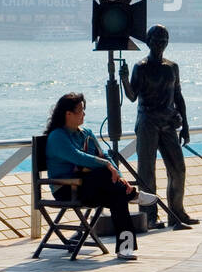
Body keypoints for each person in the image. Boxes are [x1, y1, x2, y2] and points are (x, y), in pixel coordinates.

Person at [43, 92, 151, 260]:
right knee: (104, 174)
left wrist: (120, 176)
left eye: (83, 110)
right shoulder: (57, 137)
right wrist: (107, 166)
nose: (84, 114)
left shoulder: (86, 132)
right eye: (80, 111)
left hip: (91, 187)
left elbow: (104, 156)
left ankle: (125, 248)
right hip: (67, 189)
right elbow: (77, 156)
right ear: (68, 114)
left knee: (118, 196)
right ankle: (133, 195)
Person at [119, 24, 196, 230]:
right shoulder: (141, 67)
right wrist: (125, 78)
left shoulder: (172, 67)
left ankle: (177, 213)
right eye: (156, 40)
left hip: (168, 123)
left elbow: (178, 96)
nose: (160, 44)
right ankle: (149, 216)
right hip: (147, 123)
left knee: (178, 168)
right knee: (146, 171)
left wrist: (186, 125)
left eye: (164, 40)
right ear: (148, 42)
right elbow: (132, 96)